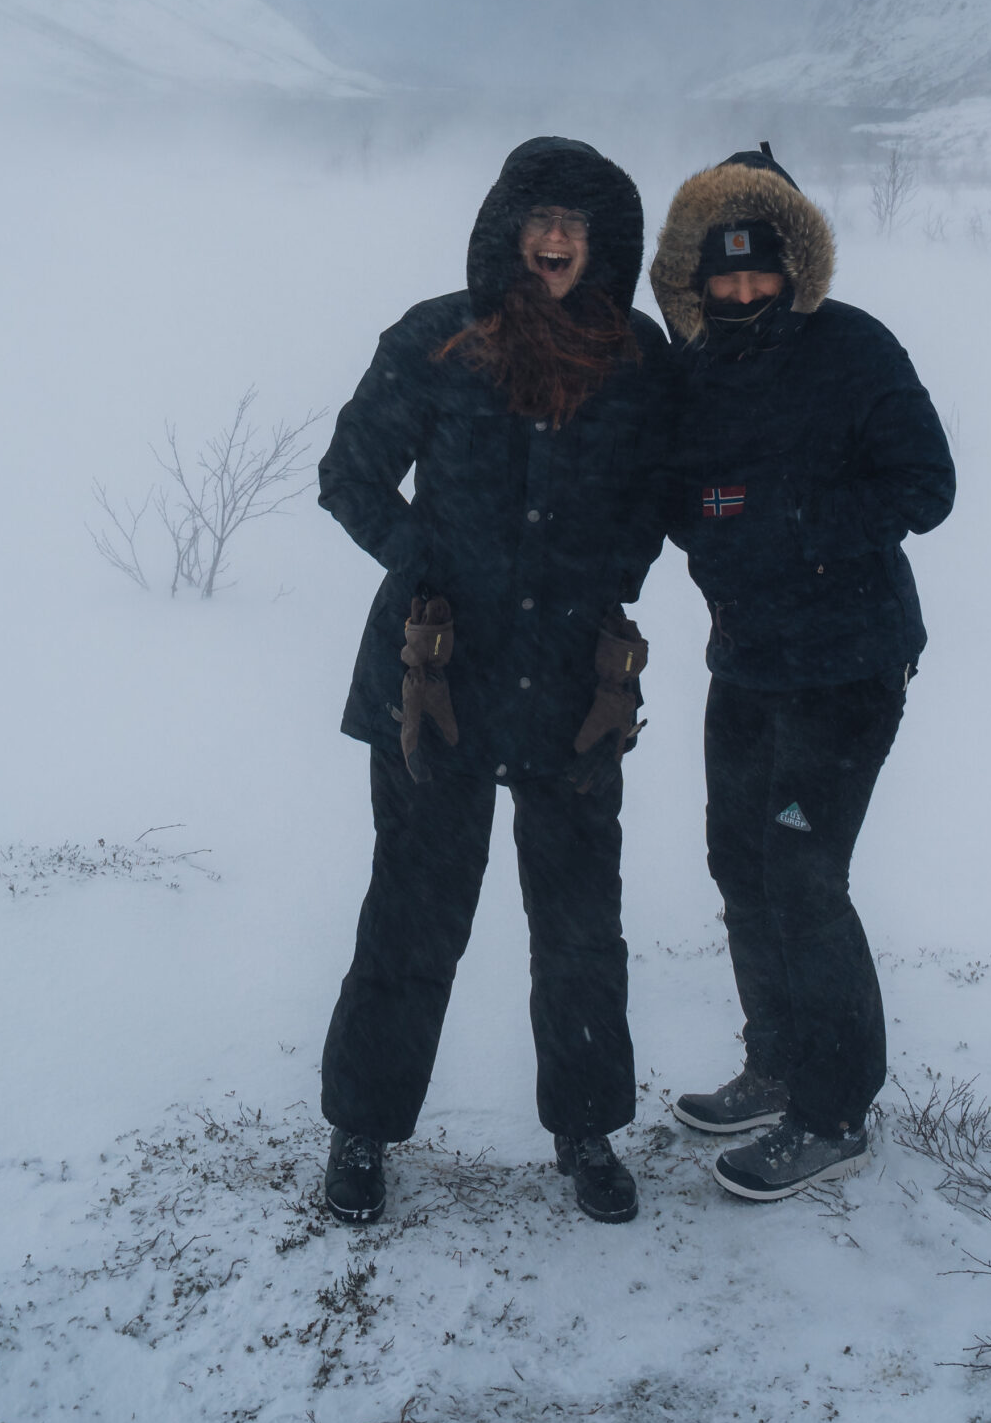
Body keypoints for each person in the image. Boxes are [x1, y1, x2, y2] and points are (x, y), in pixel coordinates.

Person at [315, 138, 671, 1226]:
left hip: (572, 683)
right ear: (507, 231)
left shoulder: (637, 357)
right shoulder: (438, 338)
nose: (556, 239)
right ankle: (363, 1129)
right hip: (438, 677)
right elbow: (350, 475)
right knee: (413, 913)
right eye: (538, 219)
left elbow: (657, 492)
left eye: (577, 223)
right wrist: (427, 566)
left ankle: (587, 1129)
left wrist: (611, 576)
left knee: (579, 920)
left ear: (603, 242)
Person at [648, 142, 955, 1202]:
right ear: (694, 277)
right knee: (739, 860)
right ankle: (775, 1063)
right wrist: (702, 524)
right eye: (722, 275)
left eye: (760, 272)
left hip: (847, 664)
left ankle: (833, 1112)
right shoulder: (695, 369)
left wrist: (792, 527)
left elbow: (926, 485)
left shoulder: (853, 348)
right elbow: (679, 496)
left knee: (804, 876)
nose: (742, 293)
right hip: (746, 659)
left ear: (794, 265)